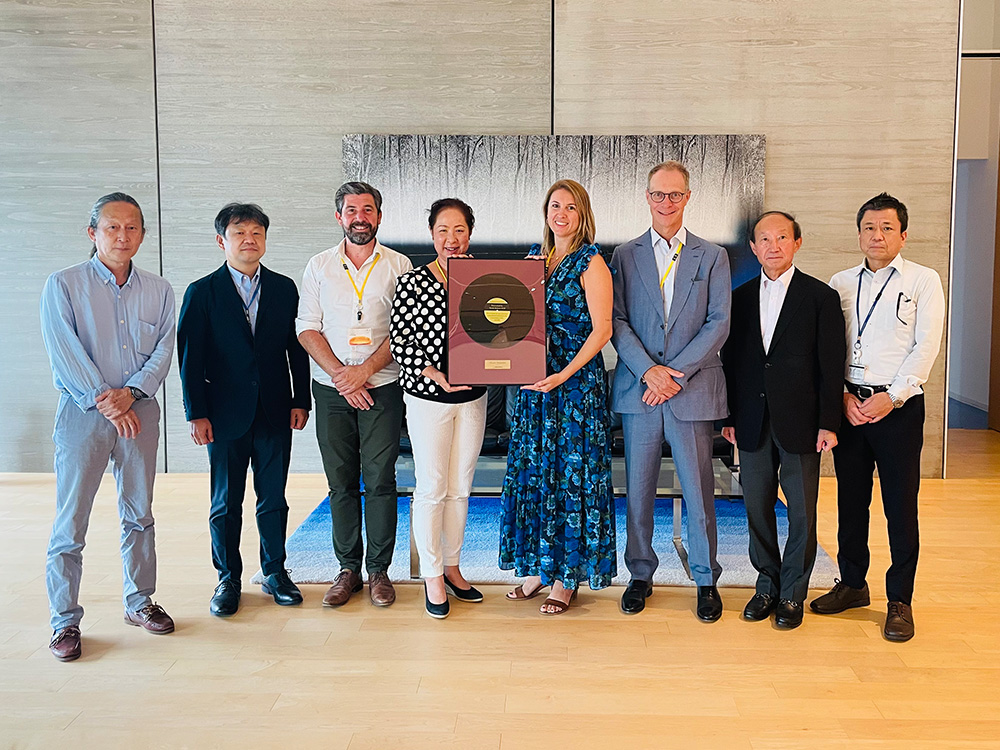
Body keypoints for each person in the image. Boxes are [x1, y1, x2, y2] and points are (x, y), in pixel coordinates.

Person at [40, 193, 175, 661]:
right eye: (112, 227)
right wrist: (108, 401)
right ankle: (64, 621)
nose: (122, 236)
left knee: (139, 511)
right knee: (71, 519)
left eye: (132, 227)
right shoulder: (63, 284)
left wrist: (130, 394)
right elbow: (65, 351)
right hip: (83, 415)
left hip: (140, 413)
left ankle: (140, 601)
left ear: (143, 234)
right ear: (92, 233)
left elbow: (163, 350)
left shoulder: (159, 289)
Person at [811, 193, 945, 642]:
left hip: (898, 408)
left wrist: (893, 396)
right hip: (851, 406)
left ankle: (900, 600)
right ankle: (852, 583)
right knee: (851, 501)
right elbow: (831, 346)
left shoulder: (923, 280)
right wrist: (841, 395)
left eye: (887, 227)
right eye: (869, 227)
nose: (877, 235)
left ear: (903, 235)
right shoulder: (840, 282)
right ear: (859, 234)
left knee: (900, 506)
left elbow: (926, 346)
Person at [610, 160, 731, 622]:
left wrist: (672, 375)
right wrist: (649, 372)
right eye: (658, 194)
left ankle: (705, 579)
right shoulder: (625, 255)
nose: (666, 202)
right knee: (638, 491)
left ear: (687, 197)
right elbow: (616, 321)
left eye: (675, 194)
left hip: (690, 390)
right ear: (647, 197)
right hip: (640, 391)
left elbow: (718, 323)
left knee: (699, 492)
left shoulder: (712, 256)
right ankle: (640, 574)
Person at [177, 203, 312, 617]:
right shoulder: (201, 292)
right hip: (222, 415)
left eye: (256, 233)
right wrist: (196, 413)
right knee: (225, 502)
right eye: (239, 233)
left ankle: (274, 571)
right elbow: (190, 359)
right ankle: (227, 578)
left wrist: (301, 399)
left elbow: (296, 350)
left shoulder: (284, 288)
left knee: (273, 499)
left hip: (275, 410)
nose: (249, 240)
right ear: (222, 241)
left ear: (265, 240)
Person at [721, 211, 846, 629]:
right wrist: (730, 416)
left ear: (797, 243)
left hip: (803, 423)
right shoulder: (738, 297)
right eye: (764, 239)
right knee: (756, 507)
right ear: (753, 247)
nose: (773, 246)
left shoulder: (820, 297)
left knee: (801, 513)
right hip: (751, 420)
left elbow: (831, 365)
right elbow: (732, 362)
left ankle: (793, 592)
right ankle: (766, 585)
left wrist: (829, 422)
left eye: (781, 238)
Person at [499, 178, 616, 616]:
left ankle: (567, 578)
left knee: (572, 479)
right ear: (545, 212)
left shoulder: (592, 262)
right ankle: (536, 569)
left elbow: (602, 330)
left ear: (582, 214)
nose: (561, 214)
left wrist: (562, 375)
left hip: (575, 388)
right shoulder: (535, 258)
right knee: (534, 474)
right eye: (554, 206)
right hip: (534, 386)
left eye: (570, 207)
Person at [296, 182, 413, 608]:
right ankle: (348, 569)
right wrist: (343, 376)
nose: (359, 217)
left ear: (379, 216)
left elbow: (405, 329)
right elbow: (307, 327)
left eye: (367, 210)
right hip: (331, 391)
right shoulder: (319, 266)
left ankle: (379, 570)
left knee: (381, 480)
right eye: (351, 210)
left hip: (383, 387)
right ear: (339, 217)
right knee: (340, 482)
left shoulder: (400, 265)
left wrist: (364, 371)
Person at [389, 198, 488, 619]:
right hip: (428, 397)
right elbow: (400, 343)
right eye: (443, 230)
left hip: (474, 397)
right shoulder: (413, 282)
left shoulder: (487, 280)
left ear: (470, 234)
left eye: (460, 230)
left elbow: (506, 330)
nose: (452, 239)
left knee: (461, 487)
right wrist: (436, 373)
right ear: (432, 234)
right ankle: (431, 575)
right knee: (432, 486)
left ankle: (452, 566)